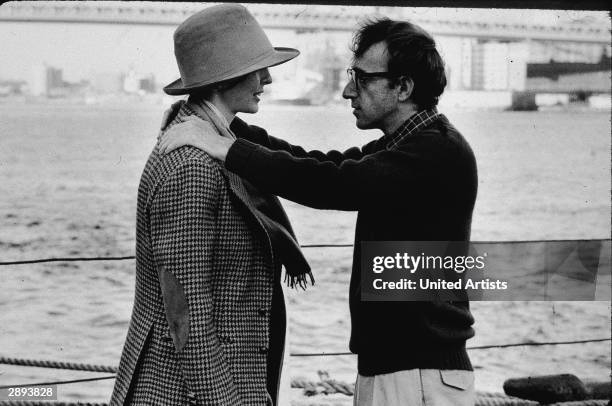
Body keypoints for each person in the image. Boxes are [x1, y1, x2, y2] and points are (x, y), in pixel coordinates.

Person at [160, 17, 478, 406]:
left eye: (360, 79)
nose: (347, 91)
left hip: (417, 378)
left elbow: (332, 183)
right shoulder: (406, 146)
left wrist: (226, 148)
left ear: (403, 87)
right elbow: (315, 162)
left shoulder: (436, 152)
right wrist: (224, 126)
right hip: (400, 372)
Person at [110, 4, 310, 405]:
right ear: (225, 77)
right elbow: (185, 311)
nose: (267, 79)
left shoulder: (218, 144)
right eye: (257, 68)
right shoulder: (192, 166)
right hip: (185, 394)